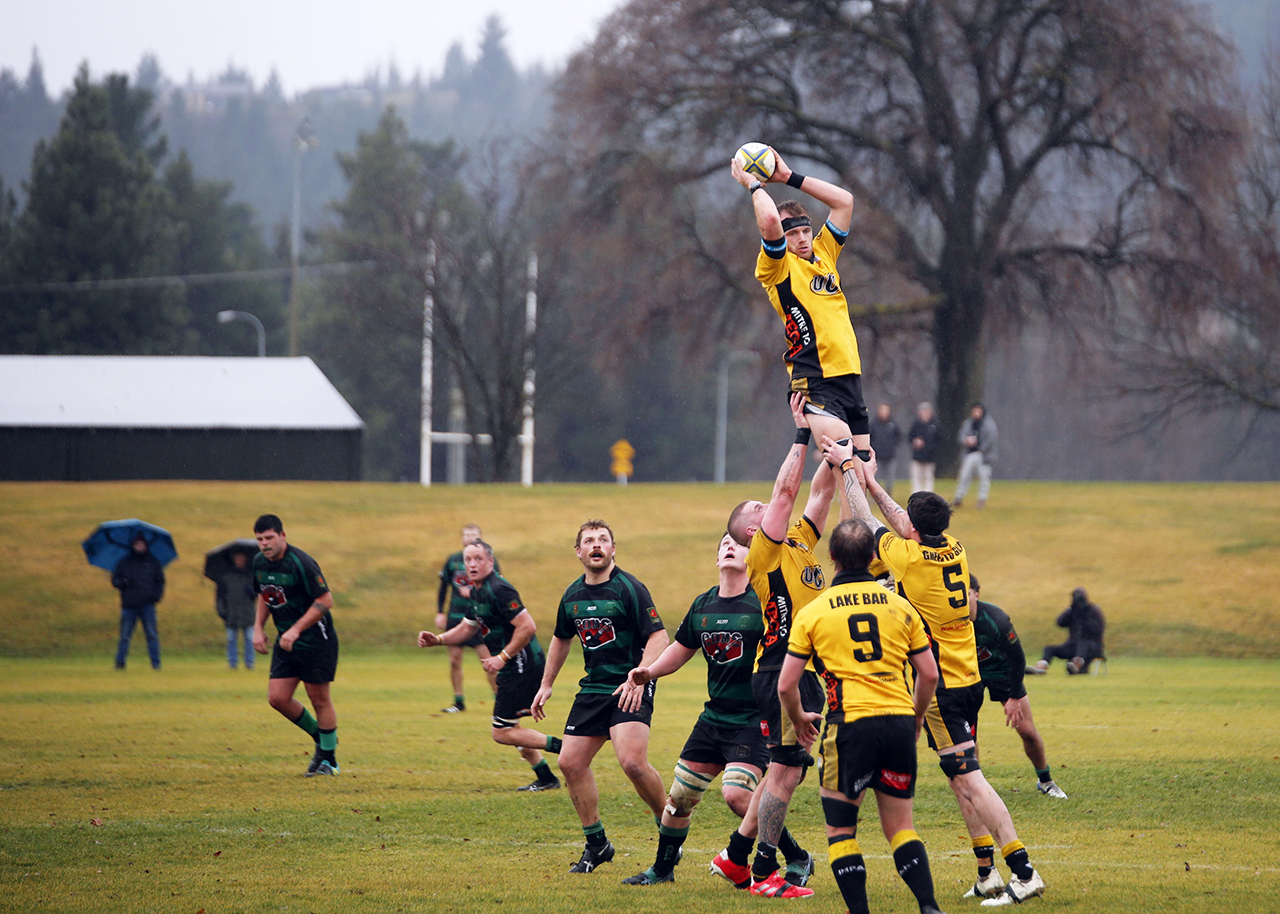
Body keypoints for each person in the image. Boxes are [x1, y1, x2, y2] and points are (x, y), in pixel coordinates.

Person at [824, 437, 1046, 907]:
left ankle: (1023, 870)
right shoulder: (954, 547)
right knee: (960, 777)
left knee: (970, 779)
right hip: (967, 679)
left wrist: (848, 468)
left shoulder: (909, 557)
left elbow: (865, 521)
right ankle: (986, 871)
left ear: (913, 532)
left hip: (941, 685)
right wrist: (870, 477)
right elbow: (899, 518)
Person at [780, 518, 945, 914]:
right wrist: (918, 716)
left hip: (849, 724)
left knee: (841, 829)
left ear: (832, 558)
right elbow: (930, 674)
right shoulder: (900, 606)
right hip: (899, 721)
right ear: (874, 557)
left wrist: (801, 717)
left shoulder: (813, 612)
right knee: (901, 827)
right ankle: (929, 906)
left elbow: (786, 685)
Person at [709, 392, 834, 899]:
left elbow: (819, 494)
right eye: (757, 509)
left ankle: (736, 859)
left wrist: (838, 447)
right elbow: (785, 492)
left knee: (783, 773)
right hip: (785, 667)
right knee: (783, 775)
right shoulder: (765, 549)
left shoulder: (800, 539)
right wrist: (801, 431)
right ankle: (765, 874)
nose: (770, 502)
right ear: (752, 530)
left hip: (803, 670)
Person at [615, 533, 771, 886]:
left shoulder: (763, 603)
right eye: (723, 544)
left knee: (737, 795)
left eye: (739, 544)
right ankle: (662, 870)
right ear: (717, 559)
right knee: (680, 797)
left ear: (754, 556)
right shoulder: (703, 604)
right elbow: (680, 649)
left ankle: (793, 857)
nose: (730, 548)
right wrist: (648, 672)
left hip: (752, 719)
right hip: (713, 718)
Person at [532, 520, 670, 874]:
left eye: (603, 540)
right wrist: (546, 684)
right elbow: (562, 638)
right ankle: (597, 845)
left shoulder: (629, 588)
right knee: (569, 762)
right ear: (578, 552)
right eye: (589, 541)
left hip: (629, 684)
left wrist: (640, 676)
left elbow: (659, 639)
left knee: (632, 763)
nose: (596, 545)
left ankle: (669, 828)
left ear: (613, 549)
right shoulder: (572, 595)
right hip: (594, 688)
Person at [730, 146, 872, 459]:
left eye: (807, 230)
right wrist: (755, 185)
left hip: (849, 373)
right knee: (846, 465)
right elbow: (768, 218)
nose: (804, 239)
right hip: (815, 377)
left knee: (861, 470)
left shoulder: (824, 254)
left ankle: (822, 512)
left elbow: (844, 201)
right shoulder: (777, 267)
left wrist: (789, 177)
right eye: (794, 234)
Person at [419, 539, 562, 792]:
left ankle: (568, 749)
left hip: (521, 666)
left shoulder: (499, 589)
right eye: (468, 560)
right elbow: (467, 627)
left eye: (478, 559)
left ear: (490, 562)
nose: (472, 564)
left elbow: (527, 627)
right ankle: (546, 778)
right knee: (510, 727)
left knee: (501, 732)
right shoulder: (476, 591)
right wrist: (438, 640)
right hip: (512, 666)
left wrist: (501, 657)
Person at [251, 514, 341, 777]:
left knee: (319, 699)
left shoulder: (301, 563)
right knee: (277, 698)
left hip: (316, 640)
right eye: (259, 539)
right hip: (287, 640)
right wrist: (257, 628)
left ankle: (330, 761)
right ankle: (323, 740)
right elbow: (264, 595)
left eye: (269, 538)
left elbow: (326, 599)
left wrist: (296, 629)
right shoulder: (259, 563)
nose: (264, 544)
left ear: (282, 536)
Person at [968, 574, 1067, 799]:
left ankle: (1046, 781)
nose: (961, 600)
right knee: (968, 736)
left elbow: (1018, 658)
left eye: (966, 594)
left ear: (976, 593)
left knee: (1027, 731)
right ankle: (977, 788)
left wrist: (1013, 697)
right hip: (968, 676)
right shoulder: (947, 618)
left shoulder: (997, 619)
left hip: (1002, 673)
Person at [436, 523, 497, 713]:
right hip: (456, 616)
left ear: (481, 537)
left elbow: (497, 586)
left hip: (480, 617)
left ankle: (499, 700)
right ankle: (458, 701)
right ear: (462, 538)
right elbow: (443, 587)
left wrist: (473, 592)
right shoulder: (453, 560)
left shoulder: (488, 560)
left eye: (474, 534)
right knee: (454, 660)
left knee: (489, 662)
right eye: (467, 534)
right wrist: (439, 612)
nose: (470, 537)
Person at [111, 534, 164, 670]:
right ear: (133, 545)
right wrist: (123, 583)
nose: (140, 547)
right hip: (129, 605)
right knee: (125, 636)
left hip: (147, 605)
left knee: (152, 635)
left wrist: (156, 597)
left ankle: (156, 663)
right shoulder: (124, 562)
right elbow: (115, 580)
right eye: (137, 544)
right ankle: (119, 662)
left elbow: (160, 582)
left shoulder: (153, 562)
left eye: (142, 544)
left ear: (146, 545)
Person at [1031, 587, 1106, 675]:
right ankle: (1041, 667)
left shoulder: (1093, 611)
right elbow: (1060, 622)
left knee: (1083, 642)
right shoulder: (1072, 611)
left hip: (1092, 647)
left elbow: (1098, 629)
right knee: (1049, 649)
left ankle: (1077, 664)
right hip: (1073, 646)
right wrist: (1070, 610)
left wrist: (1084, 617)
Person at [952, 403, 998, 509]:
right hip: (970, 454)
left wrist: (981, 448)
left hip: (983, 456)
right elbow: (961, 436)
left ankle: (982, 499)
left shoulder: (988, 424)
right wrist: (966, 440)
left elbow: (991, 439)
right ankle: (959, 497)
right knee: (964, 476)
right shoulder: (969, 423)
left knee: (984, 478)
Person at [217, 551, 257, 670]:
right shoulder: (226, 576)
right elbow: (220, 596)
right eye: (237, 558)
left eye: (242, 558)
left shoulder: (251, 575)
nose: (239, 560)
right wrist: (222, 611)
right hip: (231, 612)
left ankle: (249, 662)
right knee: (231, 639)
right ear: (233, 559)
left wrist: (250, 590)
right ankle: (232, 662)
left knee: (249, 639)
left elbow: (257, 592)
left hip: (247, 612)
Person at [908, 401, 944, 494]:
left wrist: (930, 447)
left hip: (930, 457)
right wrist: (915, 442)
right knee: (916, 477)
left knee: (928, 477)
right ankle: (916, 495)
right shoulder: (916, 424)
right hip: (917, 456)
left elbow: (940, 440)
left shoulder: (935, 425)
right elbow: (909, 436)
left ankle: (928, 496)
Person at [869, 402, 902, 495]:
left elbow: (898, 437)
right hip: (877, 455)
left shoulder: (893, 424)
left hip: (890, 454)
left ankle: (888, 494)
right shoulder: (874, 424)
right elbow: (870, 436)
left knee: (890, 477)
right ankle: (876, 494)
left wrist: (892, 445)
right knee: (875, 477)